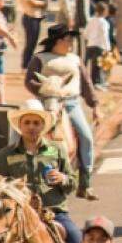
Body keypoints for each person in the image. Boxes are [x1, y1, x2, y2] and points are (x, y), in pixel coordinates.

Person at [0, 101, 86, 243]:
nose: (31, 127)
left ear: (43, 126)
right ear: (20, 126)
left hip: (54, 213)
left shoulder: (57, 150)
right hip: (16, 217)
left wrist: (63, 179)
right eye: (27, 123)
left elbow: (73, 182)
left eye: (36, 123)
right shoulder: (5, 155)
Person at [25, 24, 100, 199]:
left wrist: (95, 105)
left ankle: (85, 182)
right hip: (46, 102)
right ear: (58, 41)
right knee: (24, 128)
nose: (71, 42)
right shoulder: (40, 58)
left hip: (70, 103)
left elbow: (86, 83)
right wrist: (46, 88)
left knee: (86, 136)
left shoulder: (74, 59)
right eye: (68, 39)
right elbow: (29, 81)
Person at [16, 0, 48, 70]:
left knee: (33, 42)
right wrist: (43, 3)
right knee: (30, 43)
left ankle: (27, 64)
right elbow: (32, 2)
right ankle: (25, 65)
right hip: (30, 17)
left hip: (34, 17)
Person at [84, 1, 112, 90]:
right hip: (99, 46)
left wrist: (88, 40)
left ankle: (90, 81)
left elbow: (86, 32)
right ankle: (97, 82)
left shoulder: (91, 20)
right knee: (98, 65)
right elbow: (105, 35)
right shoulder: (104, 22)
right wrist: (108, 48)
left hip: (90, 44)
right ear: (104, 11)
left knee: (89, 63)